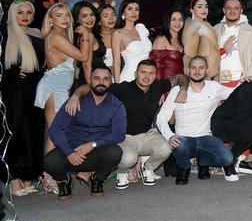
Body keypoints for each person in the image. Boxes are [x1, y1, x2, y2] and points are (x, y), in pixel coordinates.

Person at [66, 58, 182, 189]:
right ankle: (122, 172)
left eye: (151, 73)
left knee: (166, 148)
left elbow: (181, 78)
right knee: (128, 159)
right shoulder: (124, 88)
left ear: (156, 76)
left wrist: (183, 89)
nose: (146, 76)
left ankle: (147, 169)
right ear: (135, 73)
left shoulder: (158, 86)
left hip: (148, 134)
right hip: (125, 137)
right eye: (143, 72)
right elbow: (91, 86)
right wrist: (76, 95)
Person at [44, 64, 125, 200]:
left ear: (111, 81)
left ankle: (97, 179)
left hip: (96, 151)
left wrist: (93, 144)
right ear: (90, 80)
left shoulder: (116, 105)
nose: (101, 83)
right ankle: (64, 181)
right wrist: (69, 152)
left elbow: (119, 134)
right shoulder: (74, 102)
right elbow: (55, 128)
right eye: (97, 78)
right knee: (49, 161)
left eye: (106, 79)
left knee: (115, 152)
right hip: (70, 151)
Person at [156, 56, 239, 184]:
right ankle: (184, 168)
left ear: (207, 71)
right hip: (184, 138)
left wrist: (246, 81)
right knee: (179, 145)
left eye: (201, 68)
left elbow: (236, 93)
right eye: (193, 68)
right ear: (187, 70)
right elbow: (161, 117)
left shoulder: (214, 87)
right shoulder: (177, 91)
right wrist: (170, 136)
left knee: (227, 158)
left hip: (206, 137)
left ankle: (203, 161)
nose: (197, 71)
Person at [1, 0, 46, 196]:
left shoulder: (38, 33)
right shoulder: (5, 35)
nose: (25, 16)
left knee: (34, 133)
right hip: (15, 93)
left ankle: (29, 179)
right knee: (17, 133)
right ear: (13, 14)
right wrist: (12, 73)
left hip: (34, 91)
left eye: (29, 12)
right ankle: (15, 180)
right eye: (20, 12)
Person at [38, 3, 90, 154]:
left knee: (56, 132)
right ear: (51, 19)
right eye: (59, 15)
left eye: (67, 15)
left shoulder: (59, 36)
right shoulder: (56, 37)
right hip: (54, 87)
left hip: (57, 86)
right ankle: (48, 175)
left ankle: (49, 173)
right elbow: (83, 56)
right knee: (55, 133)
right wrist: (86, 34)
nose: (65, 19)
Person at [215, 0, 252, 86]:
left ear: (241, 11)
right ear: (224, 10)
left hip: (242, 81)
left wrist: (248, 76)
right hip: (219, 81)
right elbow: (207, 56)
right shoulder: (214, 30)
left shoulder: (249, 30)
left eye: (236, 8)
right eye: (228, 8)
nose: (232, 11)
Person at [111, 0, 152, 83]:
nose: (134, 12)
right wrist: (117, 85)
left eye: (137, 9)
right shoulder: (118, 33)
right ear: (123, 13)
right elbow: (117, 62)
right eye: (130, 9)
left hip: (146, 78)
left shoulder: (141, 30)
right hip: (128, 78)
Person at [182, 0, 220, 82]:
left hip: (209, 75)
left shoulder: (206, 26)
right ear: (192, 10)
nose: (204, 9)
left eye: (206, 6)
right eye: (200, 7)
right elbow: (190, 55)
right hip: (199, 76)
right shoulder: (193, 28)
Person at [71, 1, 102, 86]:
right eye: (84, 16)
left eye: (92, 15)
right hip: (90, 81)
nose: (90, 19)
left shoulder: (83, 35)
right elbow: (86, 65)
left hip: (93, 79)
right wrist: (92, 87)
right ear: (77, 19)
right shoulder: (88, 35)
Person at [150, 9, 185, 80]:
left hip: (181, 84)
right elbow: (156, 66)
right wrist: (160, 88)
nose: (177, 23)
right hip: (166, 84)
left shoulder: (181, 40)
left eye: (180, 19)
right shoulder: (162, 39)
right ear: (167, 21)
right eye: (174, 19)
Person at [96, 4, 117, 69]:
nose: (111, 18)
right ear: (99, 20)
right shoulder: (94, 36)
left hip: (121, 75)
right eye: (106, 16)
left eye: (113, 15)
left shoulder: (120, 33)